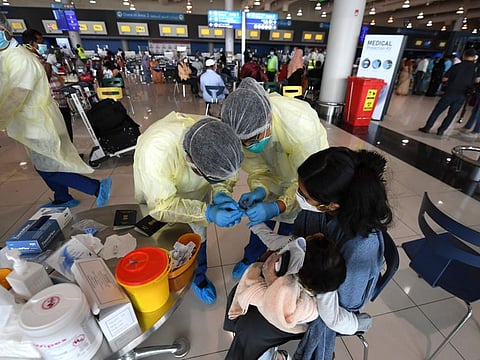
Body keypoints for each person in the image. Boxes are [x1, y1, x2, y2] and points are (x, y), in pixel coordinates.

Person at [223, 147, 393, 360]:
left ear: (332, 204)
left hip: (319, 304)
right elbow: (294, 240)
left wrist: (278, 284)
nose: (298, 197)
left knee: (252, 328)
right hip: (301, 278)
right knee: (239, 293)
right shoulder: (319, 210)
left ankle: (252, 350)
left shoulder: (361, 247)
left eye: (304, 195)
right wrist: (264, 236)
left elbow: (343, 306)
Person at [220, 77, 329, 281]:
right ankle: (251, 258)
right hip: (277, 178)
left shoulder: (299, 123)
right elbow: (259, 170)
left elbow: (307, 181)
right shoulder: (243, 132)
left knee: (290, 228)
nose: (250, 145)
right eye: (244, 143)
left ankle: (278, 260)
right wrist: (260, 190)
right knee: (261, 222)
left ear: (269, 118)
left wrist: (280, 205)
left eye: (254, 139)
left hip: (305, 182)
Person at [0, 14, 112, 209]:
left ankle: (96, 187)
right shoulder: (9, 56)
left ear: (6, 32)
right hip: (31, 123)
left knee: (47, 168)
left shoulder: (20, 59)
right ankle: (62, 197)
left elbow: (17, 94)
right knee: (46, 164)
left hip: (38, 122)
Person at [133, 114, 244, 304]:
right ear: (192, 161)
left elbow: (226, 173)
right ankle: (167, 274)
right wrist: (207, 213)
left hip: (195, 190)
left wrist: (221, 192)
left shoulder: (214, 133)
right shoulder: (157, 153)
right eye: (212, 178)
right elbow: (161, 206)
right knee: (165, 237)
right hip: (161, 195)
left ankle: (198, 277)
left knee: (197, 237)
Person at [22, 29, 73, 142]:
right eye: (40, 41)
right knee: (61, 129)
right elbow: (43, 79)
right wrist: (49, 63)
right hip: (52, 102)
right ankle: (65, 156)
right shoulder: (29, 59)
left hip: (58, 99)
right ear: (32, 43)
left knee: (66, 127)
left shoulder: (38, 56)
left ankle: (70, 154)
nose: (43, 44)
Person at [419, 48, 480, 136]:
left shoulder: (456, 66)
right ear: (474, 57)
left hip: (450, 92)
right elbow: (478, 80)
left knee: (437, 111)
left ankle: (427, 127)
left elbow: (445, 78)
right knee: (452, 114)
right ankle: (441, 131)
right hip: (463, 94)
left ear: (464, 55)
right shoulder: (476, 68)